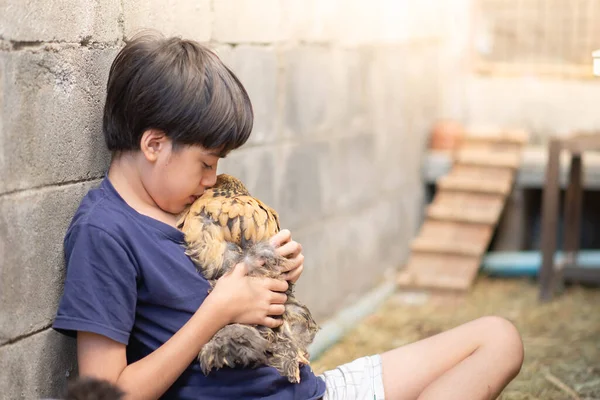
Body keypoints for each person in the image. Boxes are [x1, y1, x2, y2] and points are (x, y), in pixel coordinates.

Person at [53, 32, 524, 400]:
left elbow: (241, 288)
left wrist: (272, 268)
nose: (212, 179)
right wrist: (218, 312)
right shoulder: (104, 233)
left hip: (310, 389)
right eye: (207, 162)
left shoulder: (187, 203)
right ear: (154, 144)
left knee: (498, 339)